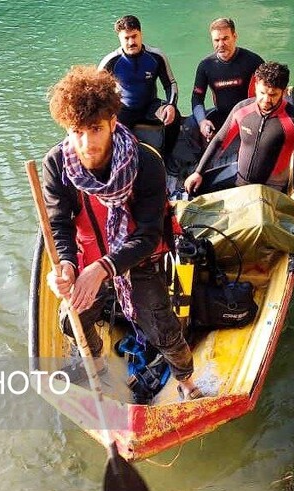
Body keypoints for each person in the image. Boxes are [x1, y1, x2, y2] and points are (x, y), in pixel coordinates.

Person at [41, 64, 202, 401]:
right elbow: (59, 225)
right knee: (72, 319)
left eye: (96, 129)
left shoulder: (146, 163)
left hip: (136, 259)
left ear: (114, 123)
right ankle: (96, 364)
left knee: (163, 327)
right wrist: (67, 266)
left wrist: (103, 270)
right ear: (66, 129)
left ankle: (187, 381)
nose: (87, 143)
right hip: (87, 257)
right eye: (77, 131)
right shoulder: (56, 165)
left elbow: (146, 235)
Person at [185, 61, 294, 207]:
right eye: (262, 93)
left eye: (273, 95)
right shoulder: (242, 109)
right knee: (193, 189)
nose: (266, 100)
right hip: (239, 177)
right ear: (256, 85)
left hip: (270, 189)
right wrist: (199, 172)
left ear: (283, 92)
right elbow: (219, 141)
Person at [98, 15, 181, 157]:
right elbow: (97, 91)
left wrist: (171, 105)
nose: (131, 42)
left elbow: (170, 84)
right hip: (124, 108)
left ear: (141, 34)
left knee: (175, 117)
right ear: (119, 38)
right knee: (105, 127)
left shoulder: (156, 56)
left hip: (151, 106)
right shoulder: (111, 61)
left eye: (134, 36)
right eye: (126, 38)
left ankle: (167, 159)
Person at [192, 18, 264, 142]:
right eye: (216, 40)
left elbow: (271, 88)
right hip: (223, 119)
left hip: (251, 118)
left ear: (234, 36)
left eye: (225, 38)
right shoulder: (205, 65)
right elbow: (197, 98)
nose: (221, 44)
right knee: (190, 126)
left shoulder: (253, 61)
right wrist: (202, 122)